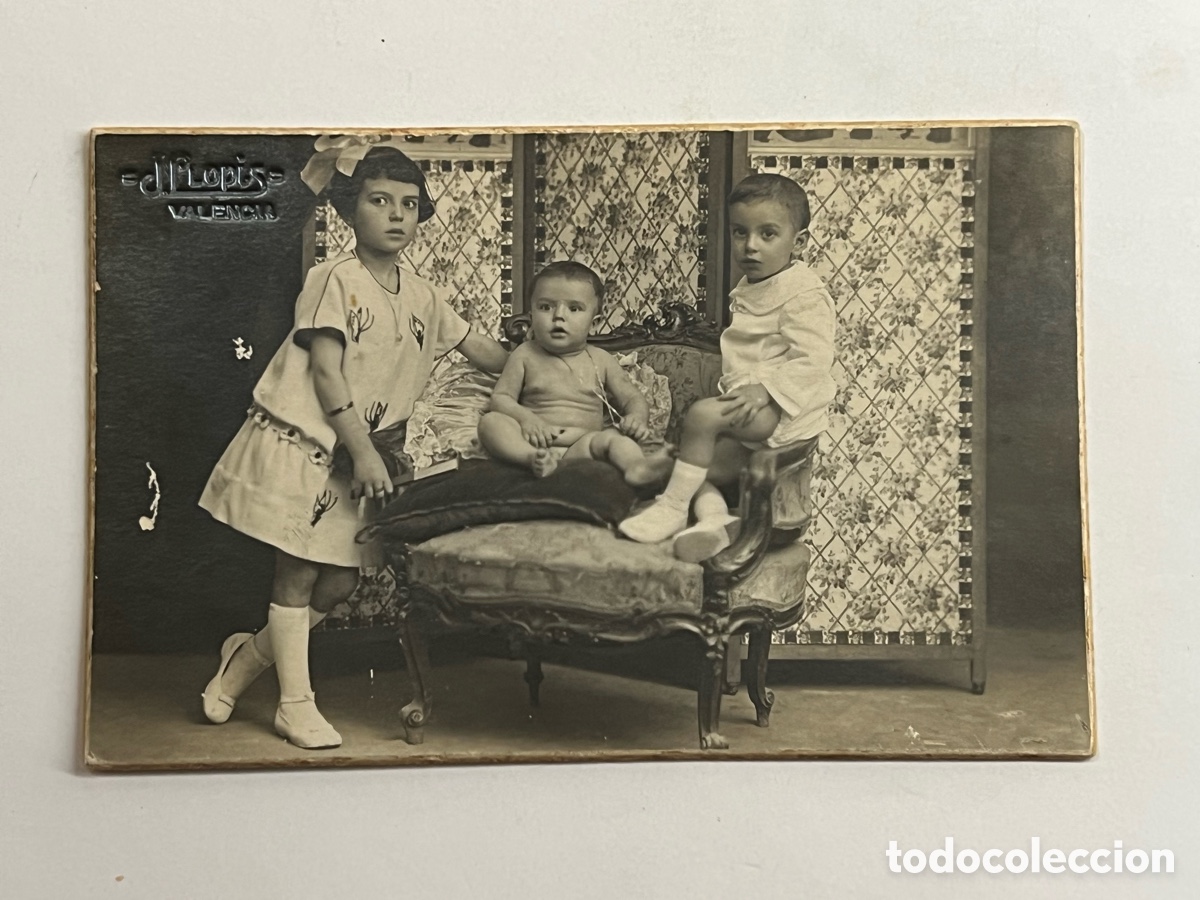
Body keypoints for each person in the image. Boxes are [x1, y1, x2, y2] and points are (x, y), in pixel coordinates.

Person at [198, 138, 507, 749]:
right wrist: (363, 450)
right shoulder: (332, 278)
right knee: (298, 567)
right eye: (380, 200)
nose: (397, 215)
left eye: (410, 204)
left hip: (365, 457)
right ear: (349, 209)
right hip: (315, 443)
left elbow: (488, 353)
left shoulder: (422, 293)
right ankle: (295, 704)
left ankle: (246, 660)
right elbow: (326, 372)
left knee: (339, 583)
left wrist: (564, 365)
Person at [619, 173, 836, 562]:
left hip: (781, 409)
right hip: (755, 404)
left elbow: (814, 359)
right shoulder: (756, 283)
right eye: (740, 233)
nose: (750, 246)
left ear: (798, 242)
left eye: (767, 234)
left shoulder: (803, 294)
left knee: (701, 415)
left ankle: (671, 510)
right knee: (691, 465)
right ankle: (716, 522)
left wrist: (764, 390)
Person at [478, 261, 673, 484]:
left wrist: (637, 418)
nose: (558, 316)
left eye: (574, 308)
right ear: (531, 315)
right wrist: (527, 419)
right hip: (535, 443)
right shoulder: (524, 355)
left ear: (594, 322)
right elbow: (501, 398)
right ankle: (532, 459)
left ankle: (637, 468)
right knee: (491, 422)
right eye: (545, 307)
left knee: (613, 440)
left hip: (583, 446)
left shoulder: (602, 359)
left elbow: (631, 397)